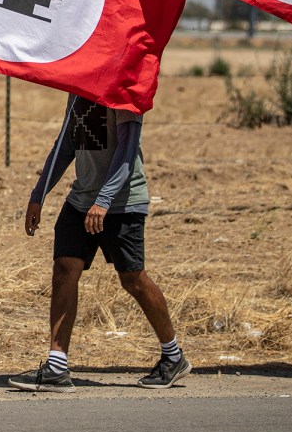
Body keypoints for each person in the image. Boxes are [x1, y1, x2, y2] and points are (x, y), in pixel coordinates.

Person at [10, 94, 190, 392]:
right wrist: (37, 195)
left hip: (123, 202)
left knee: (133, 279)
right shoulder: (77, 88)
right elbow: (65, 144)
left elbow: (127, 150)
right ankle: (56, 366)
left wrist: (104, 201)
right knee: (64, 270)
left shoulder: (125, 88)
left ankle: (173, 356)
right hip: (82, 199)